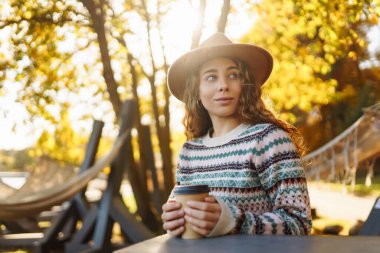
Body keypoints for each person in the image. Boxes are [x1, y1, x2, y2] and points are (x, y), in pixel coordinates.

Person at [161, 32, 312, 237]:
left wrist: (233, 221)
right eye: (211, 77)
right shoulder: (190, 152)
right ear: (196, 90)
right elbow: (179, 213)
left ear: (246, 84)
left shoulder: (269, 140)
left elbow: (299, 224)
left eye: (233, 75)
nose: (223, 85)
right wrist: (173, 220)